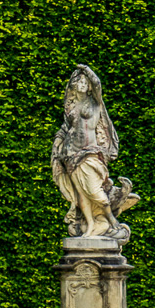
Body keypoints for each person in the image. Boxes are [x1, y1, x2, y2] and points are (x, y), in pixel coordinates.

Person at [50, 65, 139, 241]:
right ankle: (90, 225)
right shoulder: (71, 107)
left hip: (90, 153)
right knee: (81, 195)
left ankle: (112, 223)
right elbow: (66, 128)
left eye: (85, 81)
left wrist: (85, 70)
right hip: (71, 156)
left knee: (96, 193)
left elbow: (97, 84)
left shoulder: (95, 102)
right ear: (73, 86)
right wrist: (58, 141)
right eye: (79, 81)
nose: (82, 84)